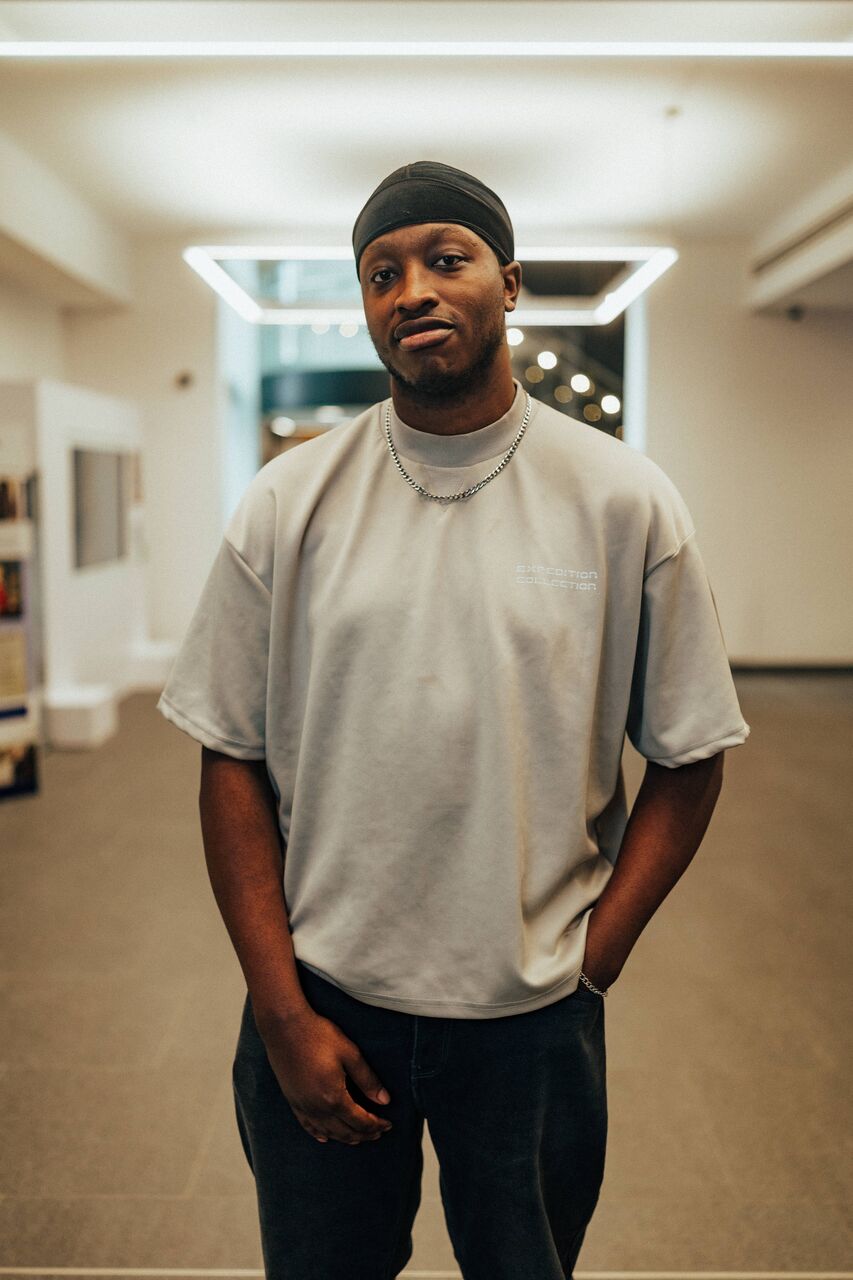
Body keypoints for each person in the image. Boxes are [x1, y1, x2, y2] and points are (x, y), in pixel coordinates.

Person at [156, 159, 751, 1280]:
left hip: (530, 1014)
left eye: (446, 258)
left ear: (511, 282)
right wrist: (281, 1012)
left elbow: (689, 752)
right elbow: (227, 755)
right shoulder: (289, 501)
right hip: (326, 1001)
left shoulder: (621, 498)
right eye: (382, 272)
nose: (412, 289)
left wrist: (594, 960)